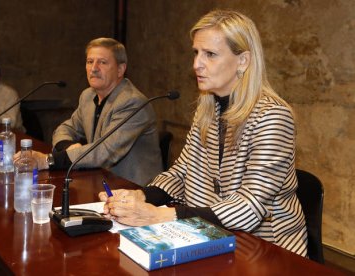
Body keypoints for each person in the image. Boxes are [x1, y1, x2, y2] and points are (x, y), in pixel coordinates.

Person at [99, 10, 308, 257]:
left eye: (210, 54)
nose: (196, 64)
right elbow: (182, 172)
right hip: (209, 235)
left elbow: (250, 207)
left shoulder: (272, 116)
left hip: (265, 249)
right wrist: (142, 195)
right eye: (196, 52)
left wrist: (160, 215)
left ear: (243, 61)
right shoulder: (208, 107)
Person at [25, 38, 162, 186]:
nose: (94, 68)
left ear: (120, 69)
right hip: (99, 180)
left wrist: (48, 160)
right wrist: (69, 147)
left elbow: (105, 152)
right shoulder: (88, 96)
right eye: (90, 62)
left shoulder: (132, 102)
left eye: (102, 62)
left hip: (133, 189)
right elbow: (65, 129)